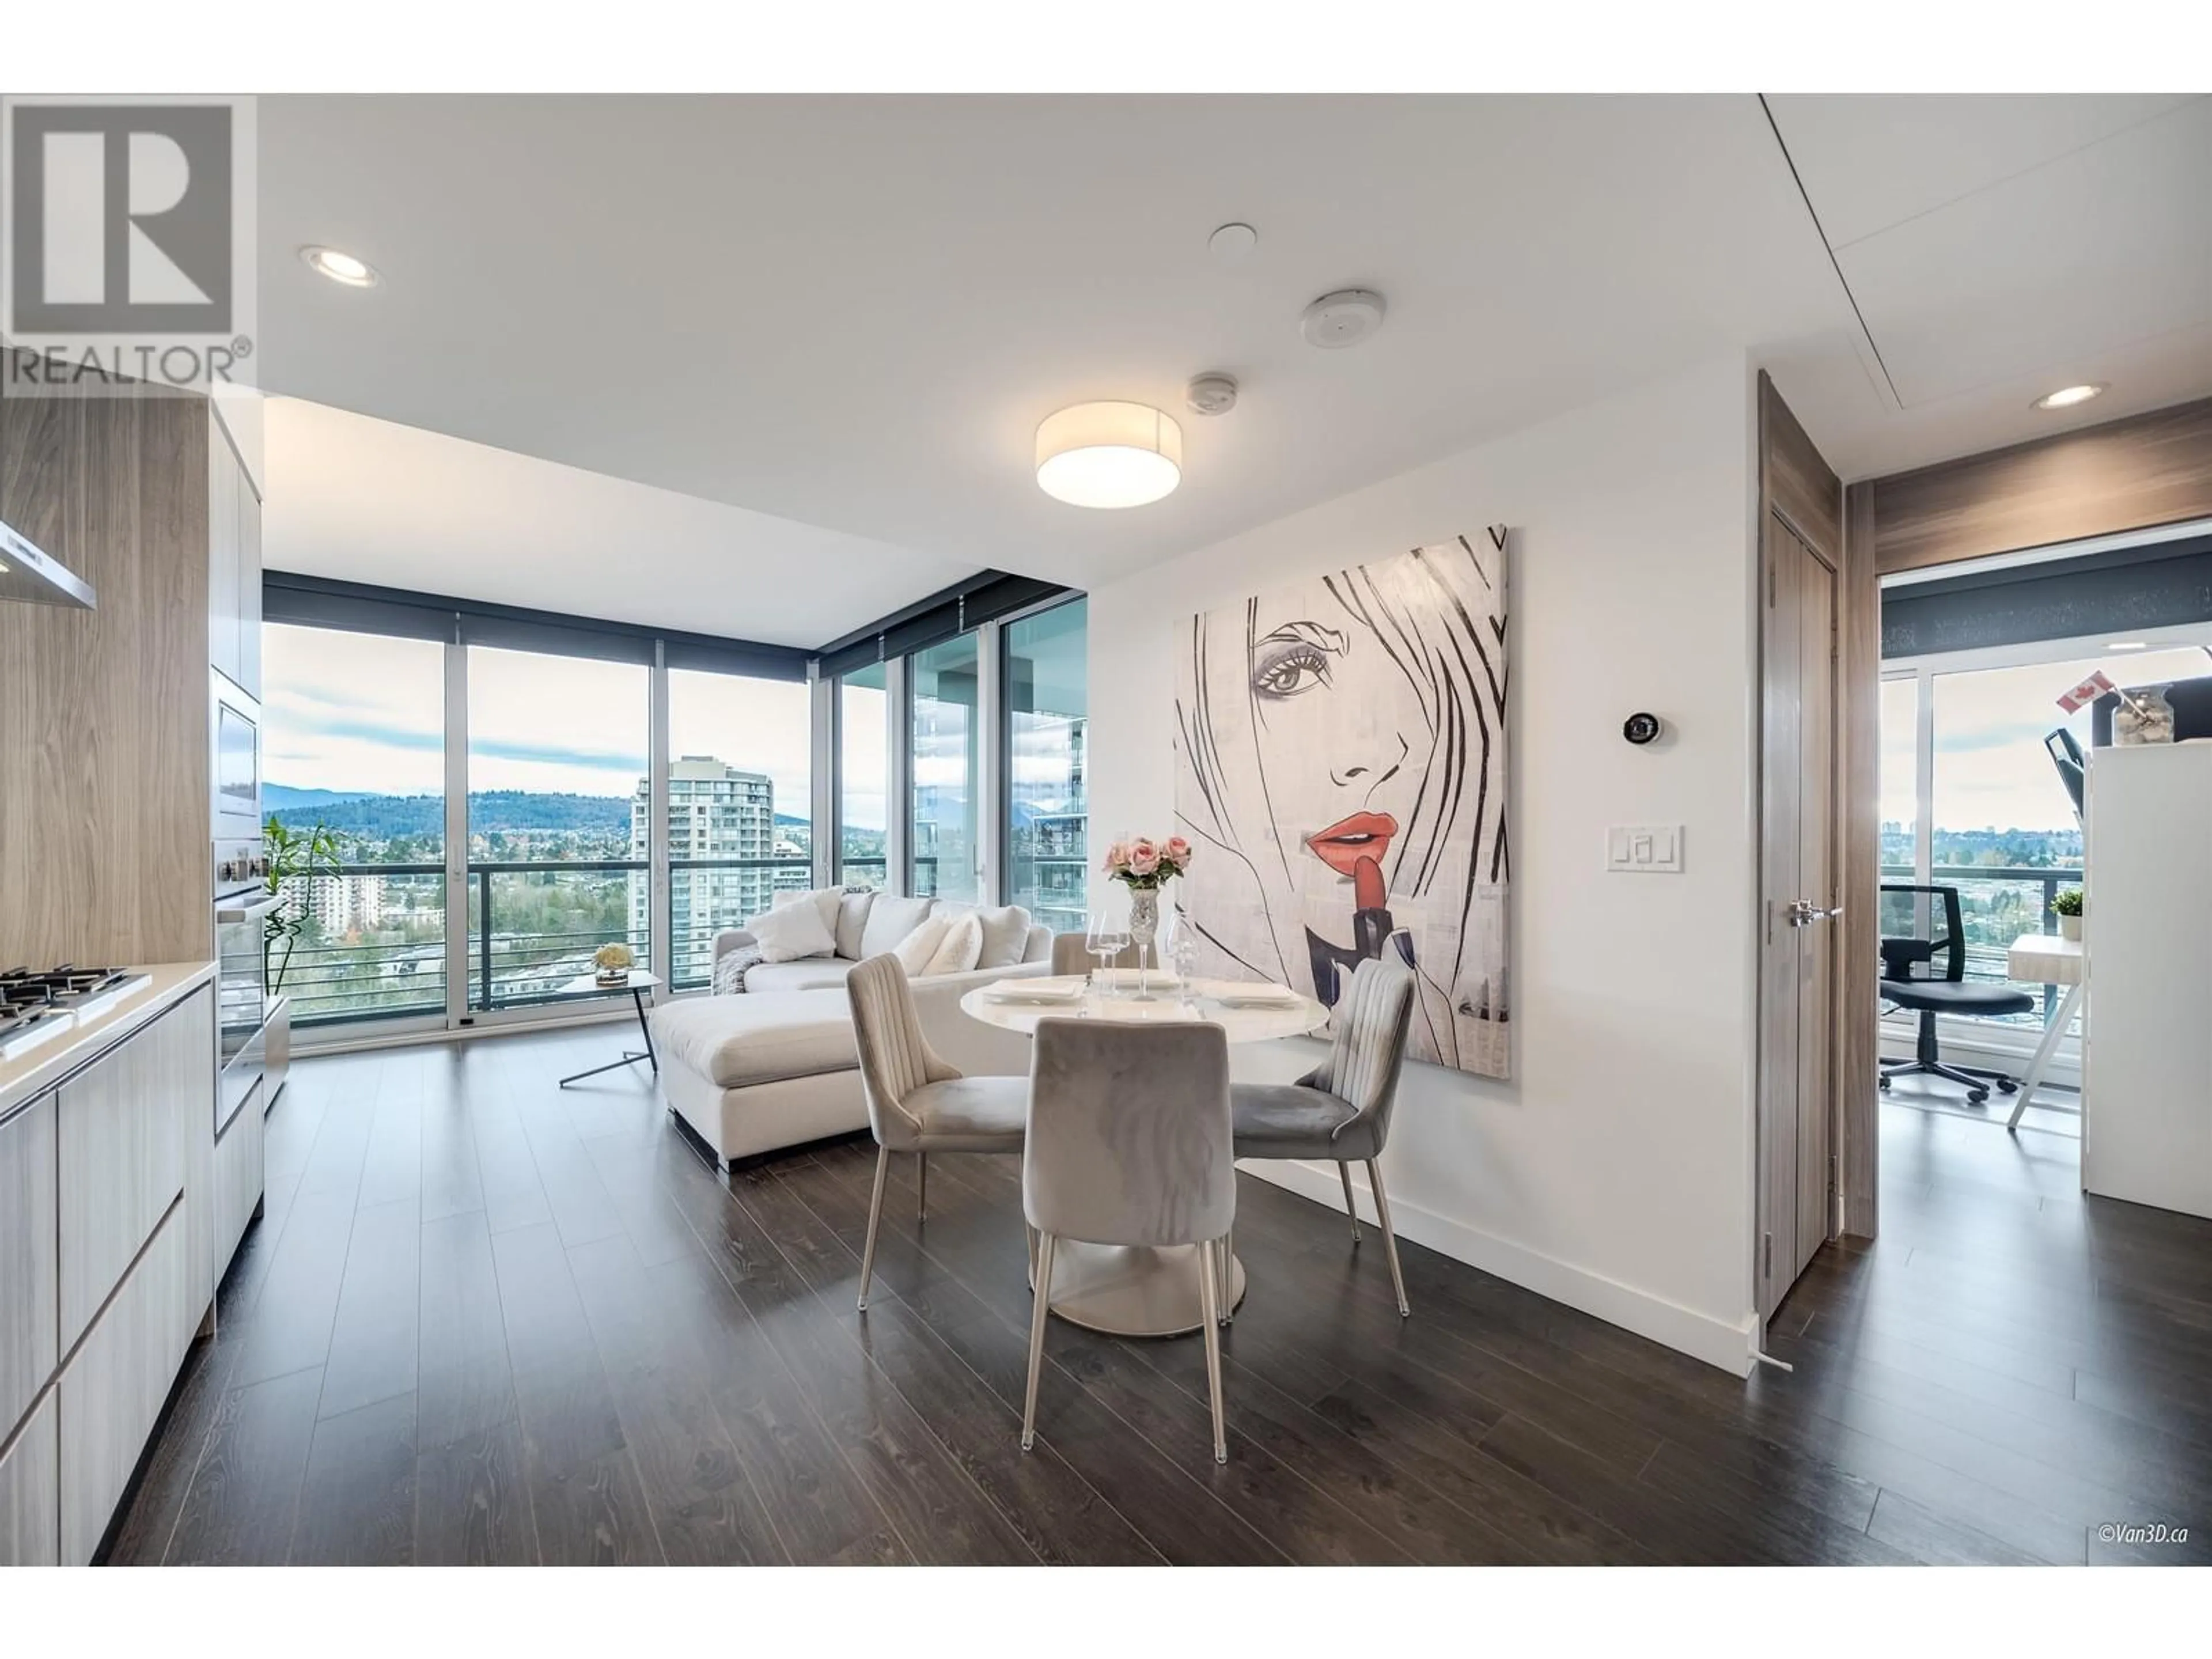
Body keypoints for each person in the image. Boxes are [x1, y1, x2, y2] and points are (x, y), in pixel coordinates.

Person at [1173, 531, 1509, 1075]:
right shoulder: (1218, 951)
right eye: (1292, 672)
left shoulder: (1448, 996)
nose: (1377, 754)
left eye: (1408, 675)